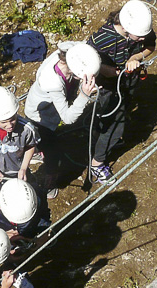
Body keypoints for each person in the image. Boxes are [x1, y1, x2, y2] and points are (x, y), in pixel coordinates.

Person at [87, 0, 156, 184]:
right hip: (107, 88)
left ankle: (103, 141)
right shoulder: (102, 38)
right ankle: (97, 162)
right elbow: (85, 58)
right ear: (125, 26)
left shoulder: (140, 32)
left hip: (127, 82)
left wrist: (136, 56)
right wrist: (105, 70)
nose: (142, 39)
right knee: (113, 125)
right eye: (139, 37)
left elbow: (150, 46)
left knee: (121, 112)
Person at [25, 42, 101, 198]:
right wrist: (84, 96)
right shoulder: (52, 81)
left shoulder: (71, 52)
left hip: (47, 111)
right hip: (39, 118)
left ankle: (38, 149)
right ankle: (49, 184)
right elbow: (67, 118)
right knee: (53, 155)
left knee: (45, 144)